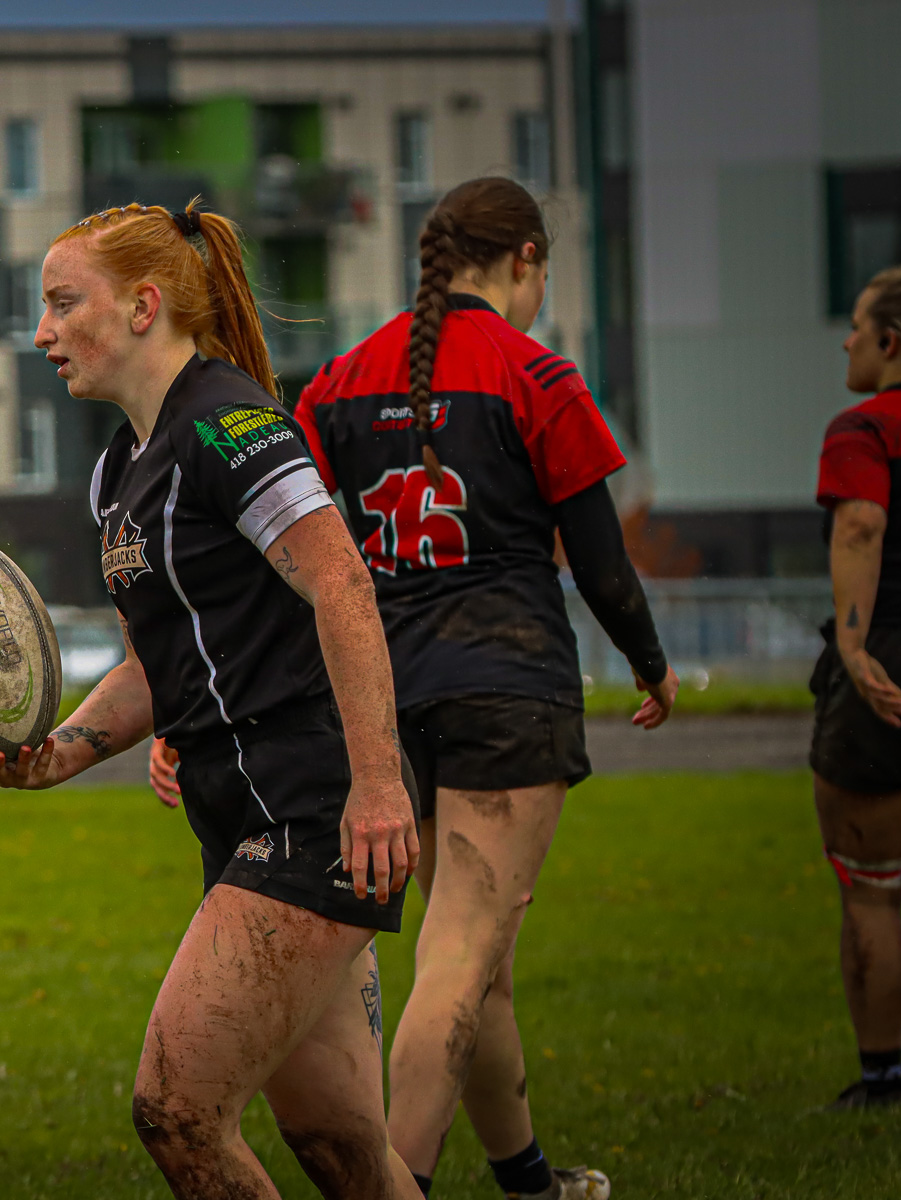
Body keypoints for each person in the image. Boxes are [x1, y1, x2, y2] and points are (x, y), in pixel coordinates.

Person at [0, 199, 422, 1200]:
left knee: (177, 1112)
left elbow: (343, 586)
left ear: (141, 306)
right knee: (342, 1152)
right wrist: (63, 751)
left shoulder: (234, 426)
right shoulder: (119, 473)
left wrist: (381, 786)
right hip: (238, 809)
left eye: (59, 305)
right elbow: (155, 667)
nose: (41, 333)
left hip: (312, 810)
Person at [282, 176, 676, 1200]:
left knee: (477, 955)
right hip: (507, 686)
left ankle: (529, 1181)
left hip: (384, 701)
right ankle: (397, 1189)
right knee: (460, 956)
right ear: (527, 261)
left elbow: (292, 548)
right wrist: (650, 659)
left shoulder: (334, 383)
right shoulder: (536, 373)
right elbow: (600, 563)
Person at [811, 263, 901, 1109]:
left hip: (890, 674)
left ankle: (883, 1077)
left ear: (891, 343)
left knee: (874, 887)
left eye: (856, 326)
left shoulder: (863, 429)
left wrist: (853, 643)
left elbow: (864, 521)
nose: (846, 341)